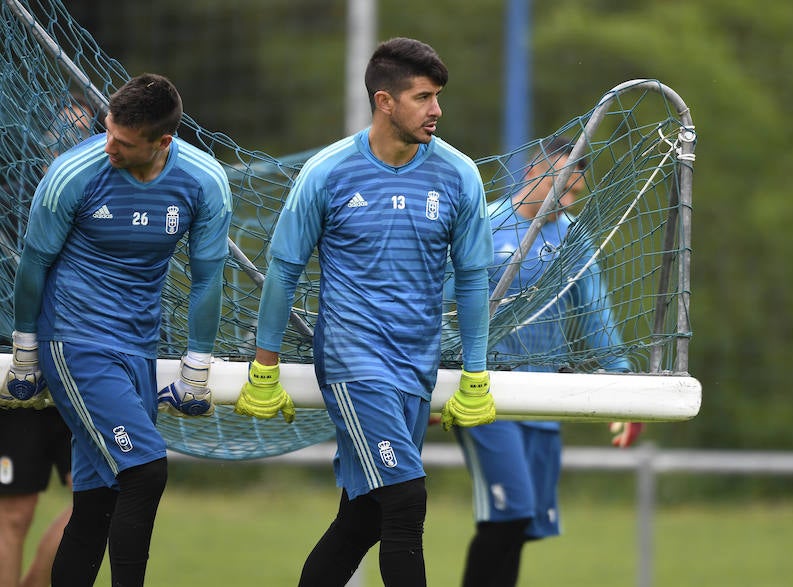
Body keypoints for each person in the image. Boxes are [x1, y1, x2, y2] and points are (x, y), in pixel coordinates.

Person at [233, 37, 496, 587]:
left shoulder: (459, 175)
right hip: (354, 362)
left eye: (438, 97)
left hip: (415, 367)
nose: (437, 111)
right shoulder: (327, 172)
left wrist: (475, 372)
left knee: (364, 517)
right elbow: (282, 269)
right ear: (385, 101)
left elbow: (472, 277)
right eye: (423, 97)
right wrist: (264, 366)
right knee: (406, 500)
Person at [3, 73, 233, 586]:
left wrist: (197, 364)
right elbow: (33, 265)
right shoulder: (72, 174)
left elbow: (206, 279)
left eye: (124, 142)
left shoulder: (204, 180)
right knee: (146, 470)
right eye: (108, 131)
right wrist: (24, 350)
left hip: (138, 347)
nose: (108, 145)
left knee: (97, 503)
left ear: (162, 142)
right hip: (76, 340)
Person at [452, 137, 644, 587]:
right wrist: (442, 379)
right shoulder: (485, 225)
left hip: (543, 398)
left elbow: (597, 315)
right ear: (532, 174)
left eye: (576, 193)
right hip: (484, 394)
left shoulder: (575, 237)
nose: (568, 200)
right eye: (563, 188)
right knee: (511, 510)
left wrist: (625, 390)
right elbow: (444, 309)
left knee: (520, 524)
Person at [0, 95, 97, 587]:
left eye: (81, 133)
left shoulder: (107, 204)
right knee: (12, 514)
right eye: (62, 130)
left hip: (81, 365)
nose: (68, 141)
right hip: (16, 368)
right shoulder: (12, 199)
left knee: (102, 499)